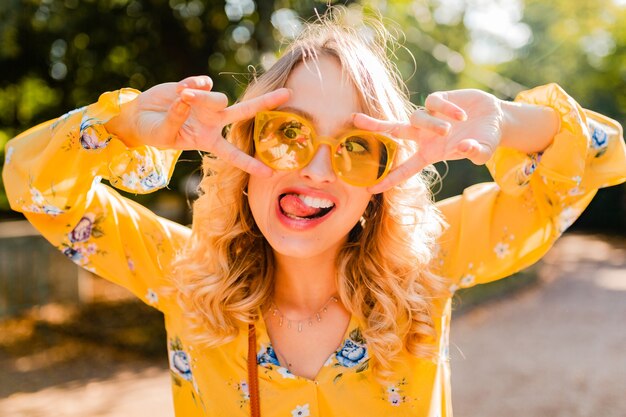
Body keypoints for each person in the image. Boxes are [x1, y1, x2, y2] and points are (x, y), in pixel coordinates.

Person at [3, 9, 626, 417]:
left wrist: (510, 119)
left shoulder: (430, 261)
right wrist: (123, 125)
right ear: (243, 143)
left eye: (357, 146)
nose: (317, 170)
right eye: (286, 133)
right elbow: (34, 187)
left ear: (385, 175)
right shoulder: (183, 275)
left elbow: (596, 159)